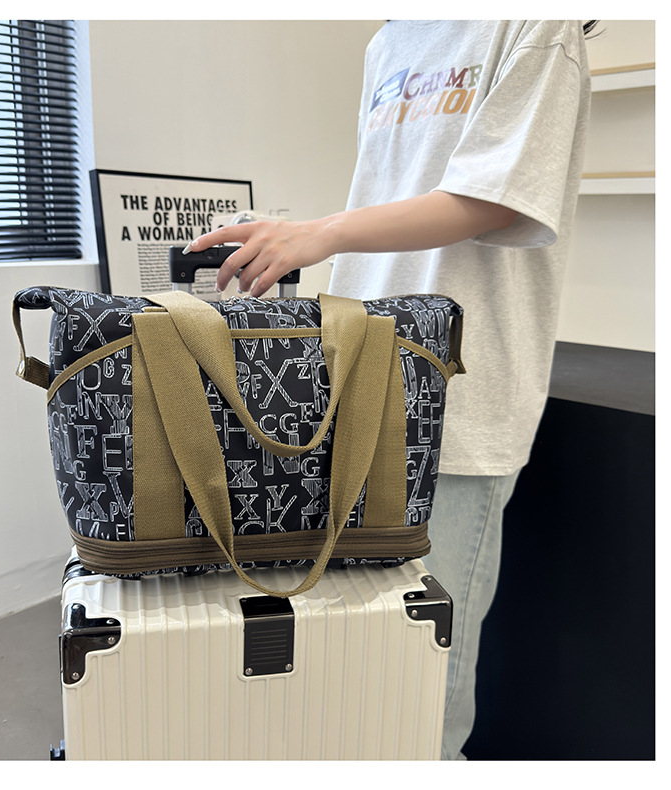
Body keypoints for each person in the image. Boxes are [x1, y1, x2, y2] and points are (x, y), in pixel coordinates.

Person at [188, 20, 593, 759]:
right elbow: (392, 198)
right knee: (351, 657)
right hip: (357, 372)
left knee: (420, 683)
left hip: (461, 396)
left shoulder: (535, 23)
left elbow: (499, 196)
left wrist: (322, 232)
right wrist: (310, 237)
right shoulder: (390, 41)